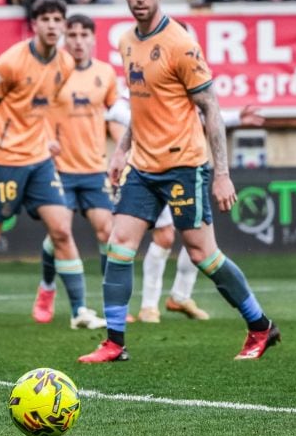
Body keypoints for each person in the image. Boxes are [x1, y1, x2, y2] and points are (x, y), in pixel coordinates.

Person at [78, 0, 279, 363]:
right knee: (119, 246)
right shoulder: (124, 41)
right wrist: (121, 152)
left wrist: (221, 174)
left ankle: (260, 327)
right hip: (143, 166)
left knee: (204, 254)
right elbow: (142, 104)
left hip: (186, 166)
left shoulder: (180, 44)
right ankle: (114, 342)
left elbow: (211, 108)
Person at [0, 0, 105, 334]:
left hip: (39, 160)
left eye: (58, 19)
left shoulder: (65, 64)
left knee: (61, 230)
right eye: (46, 19)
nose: (53, 25)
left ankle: (79, 311)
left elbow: (40, 107)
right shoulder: (10, 63)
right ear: (34, 24)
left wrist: (43, 139)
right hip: (2, 159)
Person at [104, 97, 266, 323]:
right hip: (147, 170)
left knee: (197, 243)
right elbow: (117, 110)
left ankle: (182, 297)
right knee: (159, 237)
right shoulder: (140, 76)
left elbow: (206, 113)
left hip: (183, 168)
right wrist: (134, 134)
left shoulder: (183, 78)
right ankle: (146, 308)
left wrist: (236, 118)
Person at [32, 14, 118, 325]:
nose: (78, 40)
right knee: (60, 233)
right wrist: (43, 143)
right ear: (65, 38)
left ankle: (113, 304)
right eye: (73, 34)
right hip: (58, 169)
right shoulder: (53, 72)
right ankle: (49, 288)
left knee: (108, 232)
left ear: (94, 38)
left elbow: (116, 116)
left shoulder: (106, 73)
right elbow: (34, 113)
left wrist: (126, 150)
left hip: (95, 168)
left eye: (84, 34)